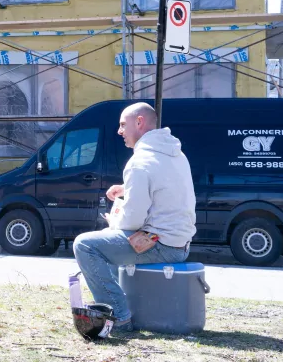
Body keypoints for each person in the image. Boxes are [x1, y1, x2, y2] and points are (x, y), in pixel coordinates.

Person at [72, 102, 196, 332]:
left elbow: (132, 221)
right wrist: (127, 189)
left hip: (161, 244)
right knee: (106, 242)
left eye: (122, 125)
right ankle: (122, 308)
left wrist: (115, 222)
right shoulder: (176, 154)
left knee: (86, 245)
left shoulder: (139, 162)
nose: (119, 131)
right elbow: (164, 192)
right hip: (180, 242)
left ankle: (119, 317)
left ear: (139, 122)